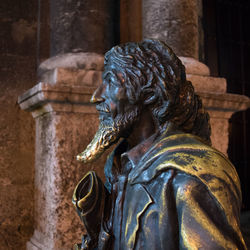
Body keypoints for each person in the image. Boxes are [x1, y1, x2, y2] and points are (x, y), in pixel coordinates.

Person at [72, 39, 246, 249]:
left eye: (111, 82)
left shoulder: (192, 178)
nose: (96, 96)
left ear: (150, 94)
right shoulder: (120, 167)